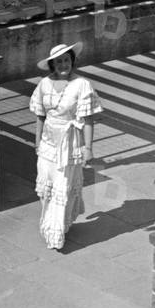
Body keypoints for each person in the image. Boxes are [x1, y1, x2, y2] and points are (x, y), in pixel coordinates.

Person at [30, 41, 103, 250]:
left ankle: (56, 231)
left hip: (70, 142)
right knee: (47, 186)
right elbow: (40, 116)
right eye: (59, 61)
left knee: (62, 186)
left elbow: (87, 119)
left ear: (73, 61)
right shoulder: (44, 84)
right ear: (53, 64)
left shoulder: (82, 85)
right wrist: (37, 142)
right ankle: (50, 222)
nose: (64, 64)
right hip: (47, 144)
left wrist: (88, 148)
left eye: (67, 60)